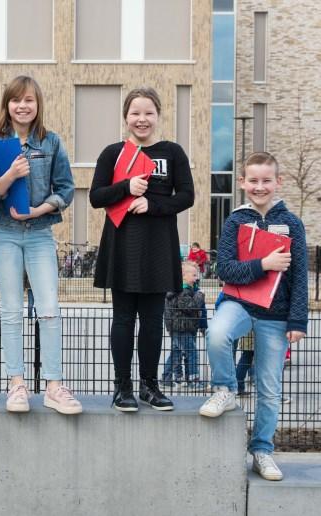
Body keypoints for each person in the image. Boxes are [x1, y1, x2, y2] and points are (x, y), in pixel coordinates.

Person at [200, 151, 308, 481]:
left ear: (278, 182)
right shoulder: (235, 221)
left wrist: (297, 321)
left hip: (276, 314)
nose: (260, 187)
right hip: (240, 303)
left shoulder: (292, 224)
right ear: (243, 182)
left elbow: (300, 275)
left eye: (266, 180)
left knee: (270, 388)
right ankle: (225, 388)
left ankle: (262, 450)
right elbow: (226, 270)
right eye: (253, 181)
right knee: (217, 332)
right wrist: (263, 265)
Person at [89, 86, 194, 412]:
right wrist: (126, 188)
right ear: (126, 117)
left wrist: (152, 203)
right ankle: (123, 388)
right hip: (122, 245)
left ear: (158, 116)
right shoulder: (113, 153)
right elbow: (96, 196)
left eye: (148, 112)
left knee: (152, 320)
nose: (142, 119)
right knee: (122, 319)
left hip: (158, 248)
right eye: (135, 113)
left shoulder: (172, 152)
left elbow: (187, 197)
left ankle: (150, 385)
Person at [0, 76, 81, 414]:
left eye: (29, 100)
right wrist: (9, 176)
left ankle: (53, 385)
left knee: (49, 307)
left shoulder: (50, 142)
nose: (22, 106)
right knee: (11, 310)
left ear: (38, 105)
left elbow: (66, 188)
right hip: (3, 232)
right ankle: (17, 385)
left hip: (39, 232)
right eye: (16, 100)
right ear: (6, 104)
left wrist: (41, 208)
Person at [162, 261, 205, 389]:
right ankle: (193, 380)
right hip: (182, 328)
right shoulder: (183, 290)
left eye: (196, 274)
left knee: (176, 353)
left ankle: (166, 378)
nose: (196, 277)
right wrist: (200, 295)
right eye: (193, 275)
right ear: (183, 276)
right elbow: (190, 307)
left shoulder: (182, 289)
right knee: (191, 352)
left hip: (179, 327)